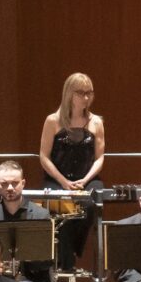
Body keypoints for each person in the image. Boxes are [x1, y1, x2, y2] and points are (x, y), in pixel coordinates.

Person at [37, 72, 108, 271]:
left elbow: (100, 158)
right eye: (81, 93)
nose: (86, 98)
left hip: (86, 178)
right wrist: (63, 182)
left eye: (90, 93)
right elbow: (44, 156)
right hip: (57, 179)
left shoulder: (96, 122)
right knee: (63, 207)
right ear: (69, 93)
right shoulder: (52, 120)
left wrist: (84, 180)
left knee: (92, 201)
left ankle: (76, 249)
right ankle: (66, 263)